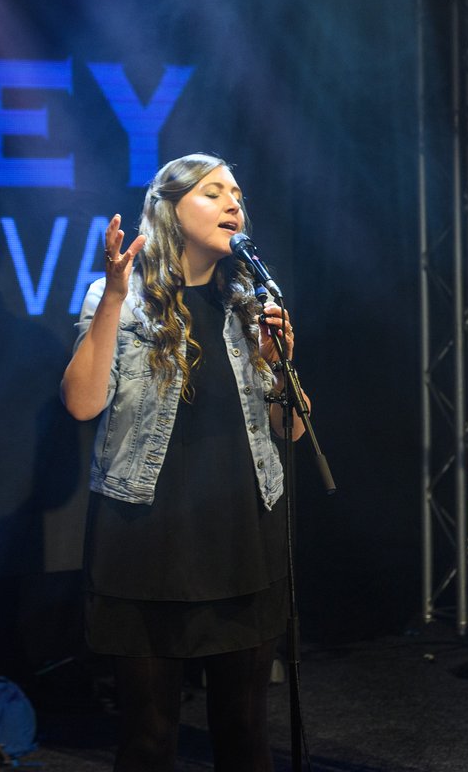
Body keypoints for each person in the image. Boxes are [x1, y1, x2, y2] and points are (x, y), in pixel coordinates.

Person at [61, 153, 308, 772]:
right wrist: (114, 299)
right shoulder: (118, 297)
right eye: (214, 192)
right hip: (145, 541)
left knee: (246, 734)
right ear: (170, 208)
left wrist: (281, 362)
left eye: (238, 195)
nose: (234, 204)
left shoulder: (251, 302)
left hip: (241, 537)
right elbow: (82, 405)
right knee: (148, 738)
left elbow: (293, 429)